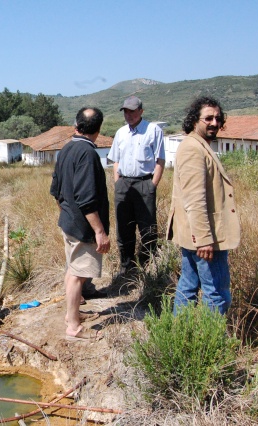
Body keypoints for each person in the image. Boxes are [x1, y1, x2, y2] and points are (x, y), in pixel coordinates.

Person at [166, 97, 241, 314]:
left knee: (188, 286)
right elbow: (194, 199)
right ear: (194, 120)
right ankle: (211, 343)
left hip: (195, 235)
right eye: (208, 118)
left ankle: (181, 337)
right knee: (216, 293)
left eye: (218, 118)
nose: (214, 123)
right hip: (205, 236)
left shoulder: (198, 145)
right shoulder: (193, 149)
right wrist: (204, 239)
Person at [50, 107, 110, 341]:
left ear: (76, 125)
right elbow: (86, 199)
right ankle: (73, 327)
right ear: (98, 129)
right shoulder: (87, 153)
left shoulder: (66, 149)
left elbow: (56, 191)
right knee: (77, 274)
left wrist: (67, 214)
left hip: (69, 222)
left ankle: (70, 315)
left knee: (72, 270)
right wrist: (99, 231)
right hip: (82, 227)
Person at [107, 96, 165, 275]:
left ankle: (147, 266)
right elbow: (115, 160)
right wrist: (118, 182)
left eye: (132, 111)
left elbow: (160, 160)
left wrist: (152, 185)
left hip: (144, 183)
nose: (129, 115)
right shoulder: (121, 133)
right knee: (123, 226)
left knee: (147, 227)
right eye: (126, 111)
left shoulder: (153, 130)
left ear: (141, 111)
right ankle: (126, 266)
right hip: (123, 183)